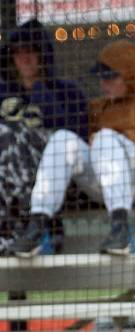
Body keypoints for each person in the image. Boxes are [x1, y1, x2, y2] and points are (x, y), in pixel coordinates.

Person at [10, 40, 135, 258]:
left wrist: (129, 136)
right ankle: (38, 225)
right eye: (101, 77)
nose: (103, 83)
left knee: (106, 137)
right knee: (62, 139)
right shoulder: (99, 107)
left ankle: (121, 230)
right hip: (106, 183)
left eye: (110, 77)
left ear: (130, 76)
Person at [0, 19, 88, 254]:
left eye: (31, 51)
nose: (25, 59)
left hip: (55, 176)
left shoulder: (68, 92)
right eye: (18, 53)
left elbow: (75, 139)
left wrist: (40, 92)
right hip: (7, 178)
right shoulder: (3, 94)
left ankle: (38, 228)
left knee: (12, 133)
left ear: (42, 55)